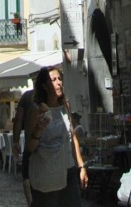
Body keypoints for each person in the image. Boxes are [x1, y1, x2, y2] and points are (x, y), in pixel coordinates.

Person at [24, 67, 89, 206]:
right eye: (53, 80)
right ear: (44, 86)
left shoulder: (65, 106)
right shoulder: (36, 110)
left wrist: (81, 166)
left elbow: (72, 137)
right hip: (48, 174)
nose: (59, 83)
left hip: (68, 170)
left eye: (60, 79)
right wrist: (39, 128)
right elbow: (29, 147)